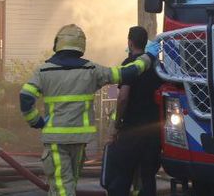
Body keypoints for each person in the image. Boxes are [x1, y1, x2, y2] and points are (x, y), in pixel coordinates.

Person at [19, 24, 159, 196]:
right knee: (67, 184)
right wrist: (149, 57)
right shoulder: (91, 70)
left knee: (62, 187)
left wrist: (36, 121)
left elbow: (25, 97)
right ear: (81, 45)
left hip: (56, 140)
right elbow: (128, 72)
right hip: (79, 140)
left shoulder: (44, 71)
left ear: (58, 43)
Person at [106, 26, 163, 196]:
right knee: (148, 178)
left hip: (132, 130)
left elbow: (123, 98)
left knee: (122, 175)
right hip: (153, 131)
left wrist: (116, 126)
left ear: (130, 42)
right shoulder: (158, 67)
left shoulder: (129, 65)